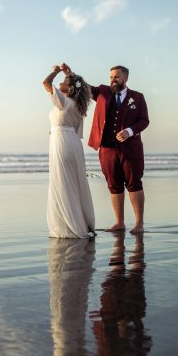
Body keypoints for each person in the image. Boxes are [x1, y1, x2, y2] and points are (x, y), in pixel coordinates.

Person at [62, 63, 149, 234]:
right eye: (110, 77)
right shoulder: (102, 92)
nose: (112, 80)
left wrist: (129, 131)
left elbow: (144, 120)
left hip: (131, 150)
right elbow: (83, 87)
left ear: (125, 78)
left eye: (116, 77)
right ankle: (119, 223)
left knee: (134, 184)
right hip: (107, 150)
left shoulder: (137, 97)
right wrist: (71, 74)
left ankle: (139, 224)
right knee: (114, 185)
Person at [42, 65, 96, 238]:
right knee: (73, 183)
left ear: (71, 88)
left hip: (61, 143)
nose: (60, 83)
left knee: (63, 183)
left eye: (64, 82)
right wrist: (69, 74)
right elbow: (82, 87)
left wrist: (57, 70)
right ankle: (78, 221)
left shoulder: (64, 101)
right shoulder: (78, 106)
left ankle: (69, 225)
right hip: (73, 143)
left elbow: (45, 82)